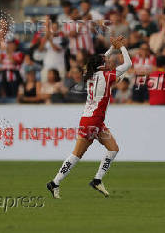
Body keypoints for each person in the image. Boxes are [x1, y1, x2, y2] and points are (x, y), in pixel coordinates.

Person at [46, 35, 132, 199]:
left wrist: (112, 47)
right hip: (92, 122)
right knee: (77, 154)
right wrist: (121, 47)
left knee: (113, 149)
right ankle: (54, 182)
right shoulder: (106, 77)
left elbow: (99, 62)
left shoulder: (91, 75)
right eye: (106, 61)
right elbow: (128, 64)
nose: (109, 62)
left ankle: (97, 179)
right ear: (102, 65)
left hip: (94, 121)